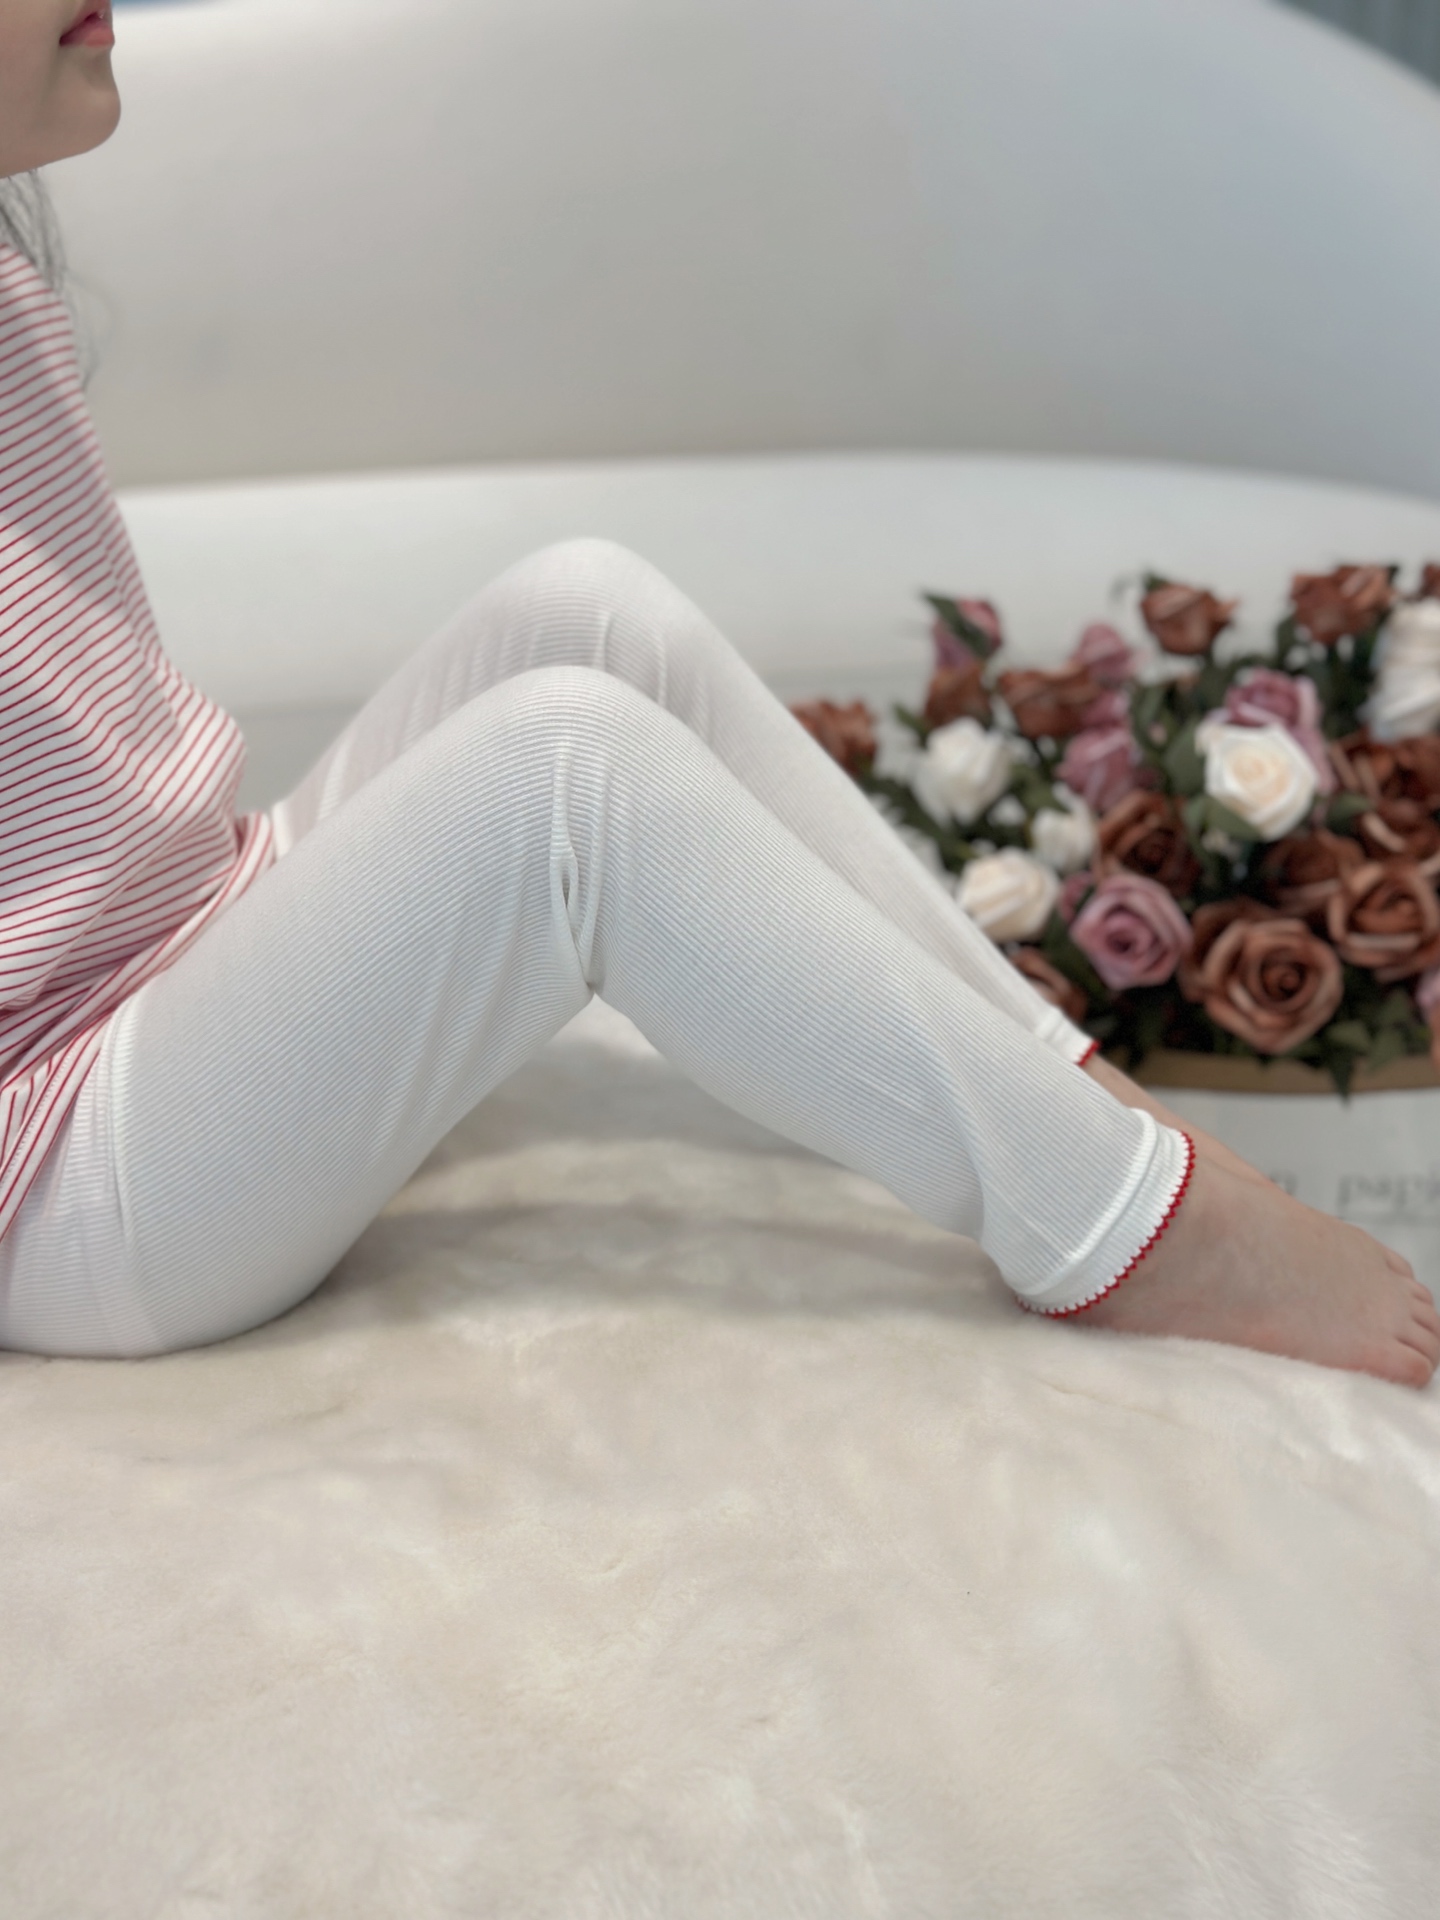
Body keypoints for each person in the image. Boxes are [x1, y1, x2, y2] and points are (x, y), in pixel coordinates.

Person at [0, 0, 1434, 1388]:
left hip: (180, 929)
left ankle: (1083, 1101)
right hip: (72, 1169)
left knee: (586, 607)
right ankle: (1119, 1228)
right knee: (563, 775)